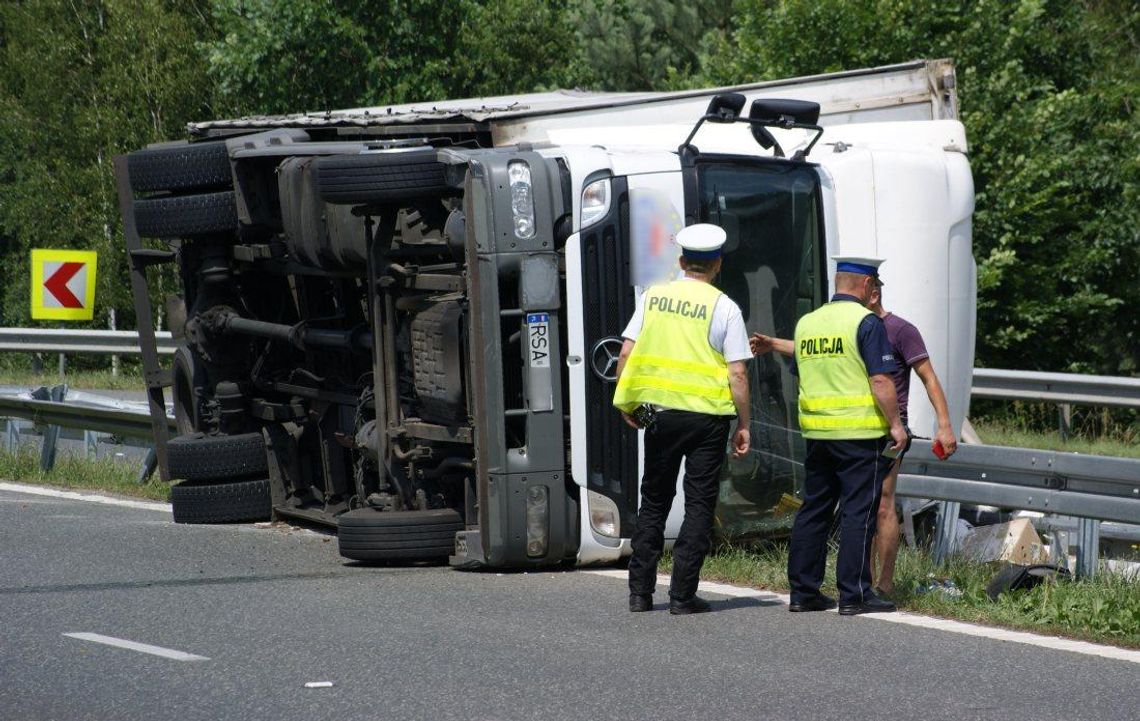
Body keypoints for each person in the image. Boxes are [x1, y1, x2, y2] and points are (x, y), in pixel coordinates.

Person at [749, 283, 959, 597]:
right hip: (853, 429)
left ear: (872, 294)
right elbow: (815, 346)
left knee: (883, 504)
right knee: (860, 507)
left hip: (888, 431)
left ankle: (882, 583)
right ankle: (862, 585)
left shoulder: (900, 330)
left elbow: (928, 377)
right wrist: (774, 343)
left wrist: (944, 424)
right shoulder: (850, 323)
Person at [612, 223, 752, 615]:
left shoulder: (654, 297)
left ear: (681, 262)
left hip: (659, 416)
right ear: (718, 265)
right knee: (698, 505)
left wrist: (628, 403)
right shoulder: (725, 307)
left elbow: (625, 355)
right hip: (707, 422)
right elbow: (737, 373)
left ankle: (640, 593)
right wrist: (744, 424)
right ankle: (681, 596)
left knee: (654, 500)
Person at [774, 256, 907, 616]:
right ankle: (855, 593)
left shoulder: (807, 323)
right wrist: (896, 424)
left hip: (818, 432)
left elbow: (803, 373)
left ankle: (803, 592)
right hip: (859, 433)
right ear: (866, 286)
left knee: (814, 509)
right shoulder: (865, 322)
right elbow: (880, 379)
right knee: (857, 512)